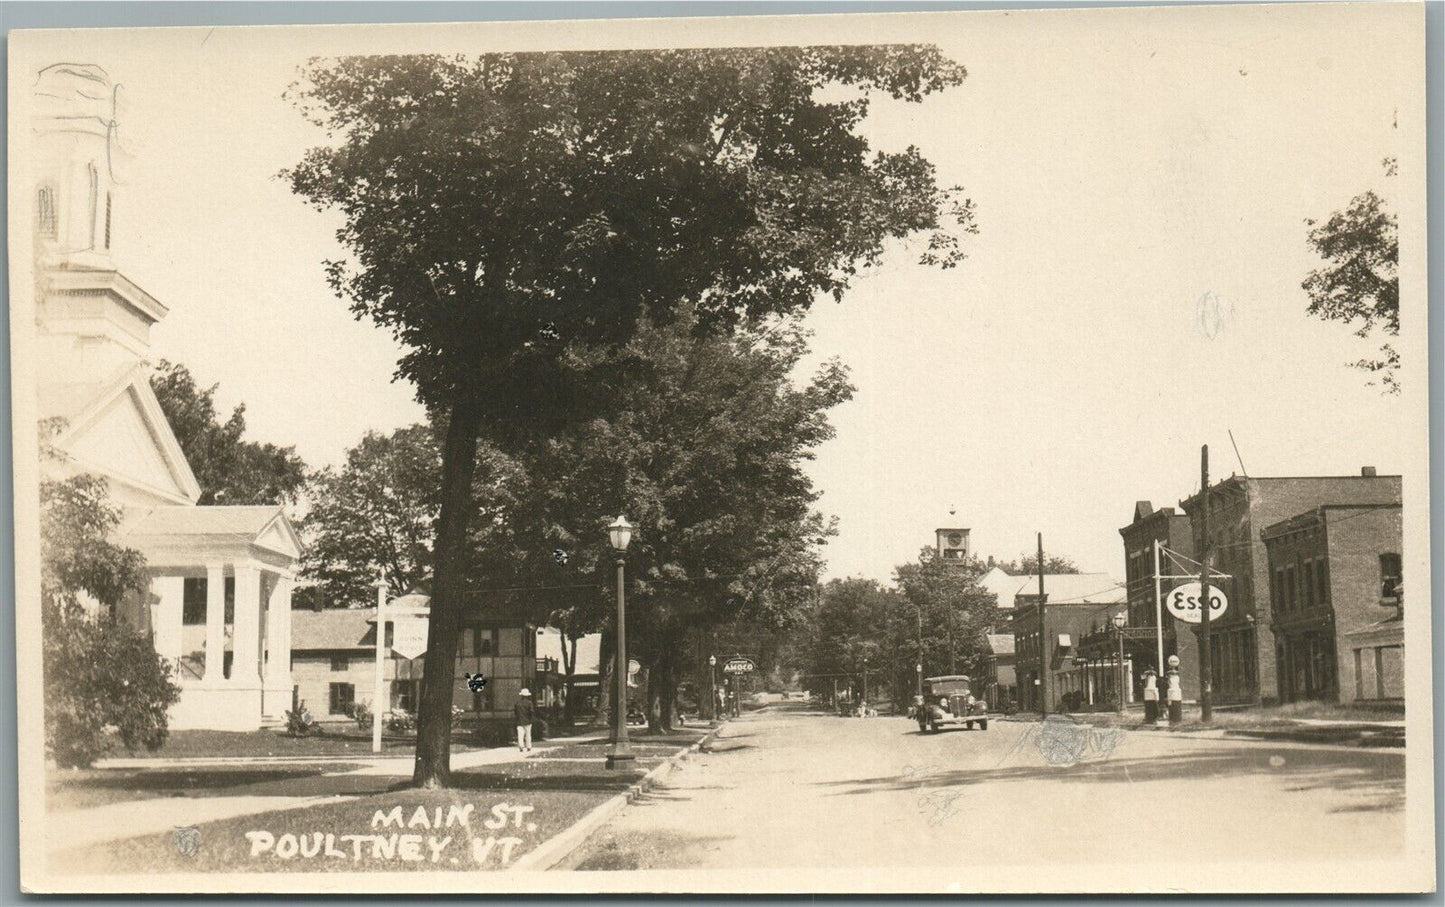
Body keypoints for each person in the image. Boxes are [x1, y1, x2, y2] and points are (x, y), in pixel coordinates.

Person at [514, 688, 534, 752]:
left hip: (519, 721)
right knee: (528, 735)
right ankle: (528, 746)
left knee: (520, 735)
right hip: (528, 721)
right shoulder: (529, 703)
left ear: (521, 695)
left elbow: (516, 712)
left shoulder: (517, 703)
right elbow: (531, 712)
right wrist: (531, 719)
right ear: (527, 696)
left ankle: (521, 746)